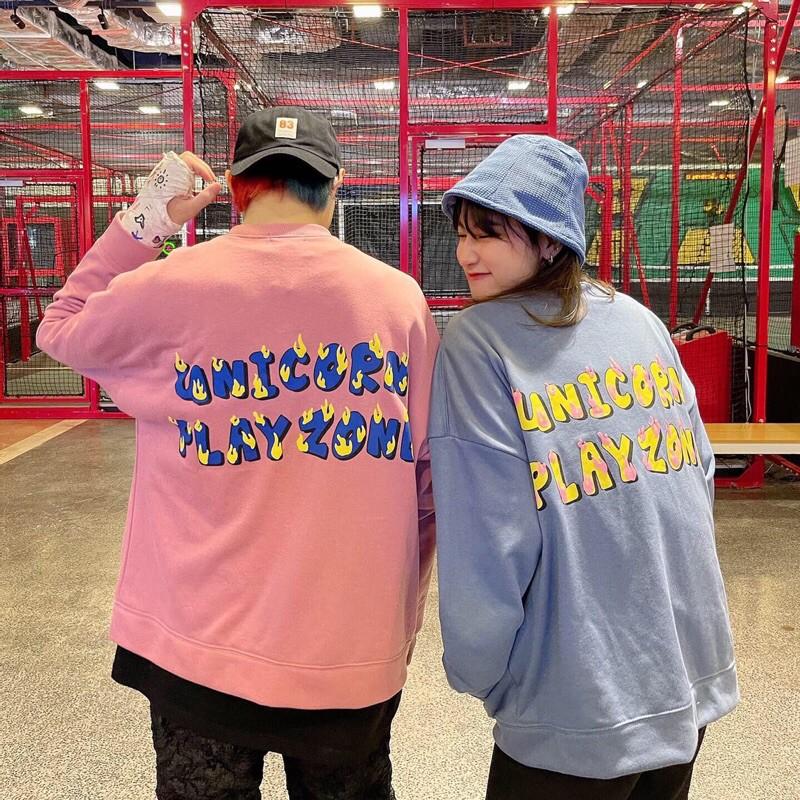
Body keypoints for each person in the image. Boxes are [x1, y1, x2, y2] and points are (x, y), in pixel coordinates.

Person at [36, 107, 439, 800]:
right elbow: (427, 481)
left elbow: (60, 326)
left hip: (196, 643)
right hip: (346, 646)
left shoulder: (172, 283)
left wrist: (147, 220)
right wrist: (396, 617)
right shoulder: (398, 300)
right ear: (336, 183)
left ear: (235, 184)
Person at [427, 135, 738, 800]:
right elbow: (698, 475)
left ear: (549, 239)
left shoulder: (478, 343)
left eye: (489, 234)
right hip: (687, 675)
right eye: (462, 234)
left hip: (575, 699)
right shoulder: (640, 321)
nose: (465, 254)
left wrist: (482, 670)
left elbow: (489, 536)